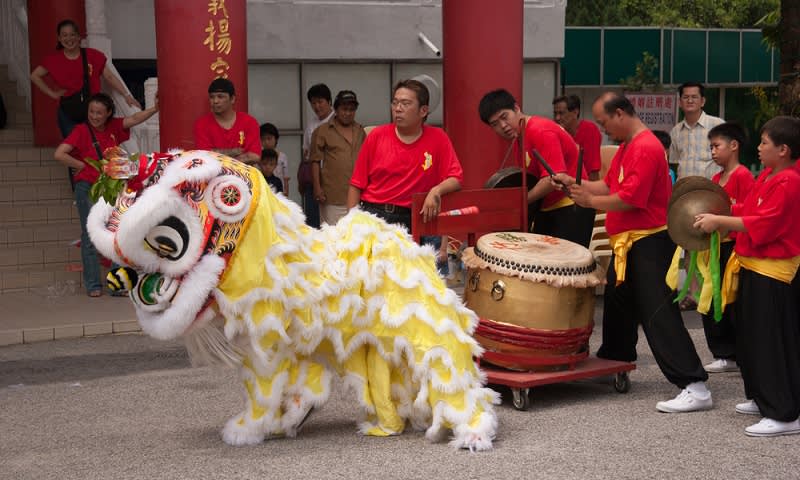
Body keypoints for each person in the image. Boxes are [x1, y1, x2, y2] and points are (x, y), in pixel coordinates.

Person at [553, 92, 711, 413]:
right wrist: (575, 182)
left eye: (604, 122)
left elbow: (630, 200)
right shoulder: (627, 147)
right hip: (627, 242)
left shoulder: (647, 147)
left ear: (621, 114)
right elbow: (609, 187)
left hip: (649, 241)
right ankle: (617, 358)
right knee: (618, 300)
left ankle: (694, 383)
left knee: (657, 312)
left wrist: (589, 202)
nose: (604, 129)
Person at [694, 116, 800, 436]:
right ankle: (763, 396)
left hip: (774, 271)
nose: (759, 147)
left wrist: (720, 221)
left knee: (771, 341)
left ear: (783, 149)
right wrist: (719, 214)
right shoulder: (769, 174)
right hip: (754, 265)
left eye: (765, 142)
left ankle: (784, 413)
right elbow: (750, 210)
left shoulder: (790, 181)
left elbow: (765, 224)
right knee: (752, 338)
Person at [53, 93, 158, 297]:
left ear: (108, 113)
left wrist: (155, 109)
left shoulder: (113, 127)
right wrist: (82, 165)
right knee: (90, 235)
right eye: (92, 112)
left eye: (99, 112)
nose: (94, 116)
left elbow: (134, 119)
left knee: (115, 234)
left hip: (112, 188)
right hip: (88, 188)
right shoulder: (81, 131)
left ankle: (115, 285)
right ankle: (93, 284)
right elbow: (59, 153)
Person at [479, 89, 595, 248]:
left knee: (563, 269)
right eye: (495, 124)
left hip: (570, 205)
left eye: (504, 117)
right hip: (548, 208)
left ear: (516, 108)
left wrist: (521, 201)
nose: (503, 126)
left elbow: (553, 177)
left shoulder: (540, 130)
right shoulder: (519, 137)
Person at [347, 79, 462, 233]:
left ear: (423, 110)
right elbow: (356, 184)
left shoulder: (438, 138)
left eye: (405, 103)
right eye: (395, 103)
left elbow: (456, 178)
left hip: (417, 218)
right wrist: (350, 224)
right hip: (375, 216)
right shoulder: (377, 136)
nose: (398, 109)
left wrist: (436, 191)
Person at [698, 123, 755, 374]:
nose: (712, 151)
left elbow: (751, 212)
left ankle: (733, 352)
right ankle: (722, 352)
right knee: (710, 298)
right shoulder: (714, 179)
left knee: (730, 301)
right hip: (713, 246)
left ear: (734, 146)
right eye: (710, 147)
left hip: (733, 247)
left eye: (716, 146)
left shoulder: (743, 176)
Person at [31, 19, 140, 139]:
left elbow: (109, 76)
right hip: (68, 112)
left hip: (93, 112)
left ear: (78, 37)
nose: (69, 39)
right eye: (64, 35)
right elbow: (35, 76)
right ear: (59, 38)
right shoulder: (53, 60)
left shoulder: (93, 55)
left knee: (93, 147)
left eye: (72, 34)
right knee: (73, 147)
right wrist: (52, 93)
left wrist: (127, 95)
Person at [310, 90, 367, 226]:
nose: (348, 113)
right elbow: (315, 161)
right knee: (332, 237)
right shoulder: (322, 131)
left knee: (355, 236)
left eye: (352, 110)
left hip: (358, 196)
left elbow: (367, 161)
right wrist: (317, 188)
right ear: (335, 109)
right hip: (332, 195)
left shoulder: (360, 131)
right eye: (344, 109)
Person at [193, 78, 260, 165]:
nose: (215, 101)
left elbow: (254, 156)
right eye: (212, 97)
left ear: (232, 99)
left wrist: (218, 154)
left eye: (220, 97)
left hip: (243, 176)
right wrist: (234, 151)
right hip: (213, 176)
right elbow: (204, 155)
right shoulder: (201, 124)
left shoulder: (249, 122)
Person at [670, 82, 724, 180]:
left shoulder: (718, 125)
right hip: (684, 192)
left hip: (711, 190)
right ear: (680, 102)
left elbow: (728, 159)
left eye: (694, 97)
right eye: (686, 97)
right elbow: (675, 163)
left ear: (702, 101)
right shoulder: (675, 131)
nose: (690, 100)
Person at [300, 84, 334, 228]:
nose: (317, 106)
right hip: (313, 179)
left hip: (333, 178)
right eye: (313, 103)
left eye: (320, 102)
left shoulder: (336, 121)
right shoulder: (311, 124)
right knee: (313, 222)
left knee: (331, 221)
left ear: (329, 102)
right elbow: (306, 153)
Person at [552, 95, 602, 180]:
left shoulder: (589, 130)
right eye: (555, 113)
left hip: (584, 185)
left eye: (561, 113)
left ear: (575, 112)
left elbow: (592, 170)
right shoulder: (555, 132)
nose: (557, 118)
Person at [260, 123, 289, 195]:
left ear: (276, 139)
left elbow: (286, 178)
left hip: (278, 190)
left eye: (269, 138)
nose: (266, 142)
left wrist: (286, 193)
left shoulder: (282, 157)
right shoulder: (258, 156)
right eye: (263, 139)